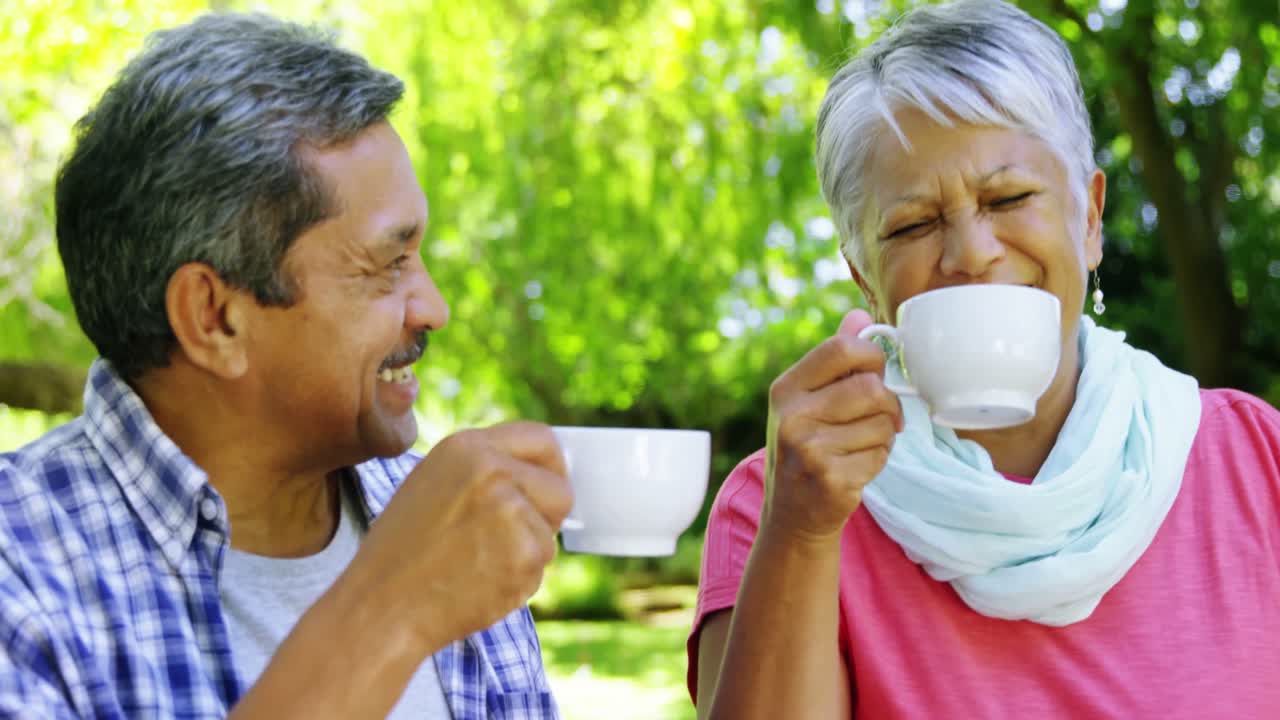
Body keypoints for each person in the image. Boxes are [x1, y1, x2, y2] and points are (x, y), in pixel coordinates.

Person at [688, 1, 1280, 718]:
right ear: (866, 282)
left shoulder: (1256, 461)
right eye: (912, 224)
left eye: (1009, 196)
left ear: (1090, 221)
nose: (971, 253)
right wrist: (803, 534)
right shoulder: (778, 506)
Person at [0, 13, 573, 720]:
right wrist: (390, 609)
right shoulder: (19, 572)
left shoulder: (444, 521)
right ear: (215, 318)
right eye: (387, 265)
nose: (434, 308)